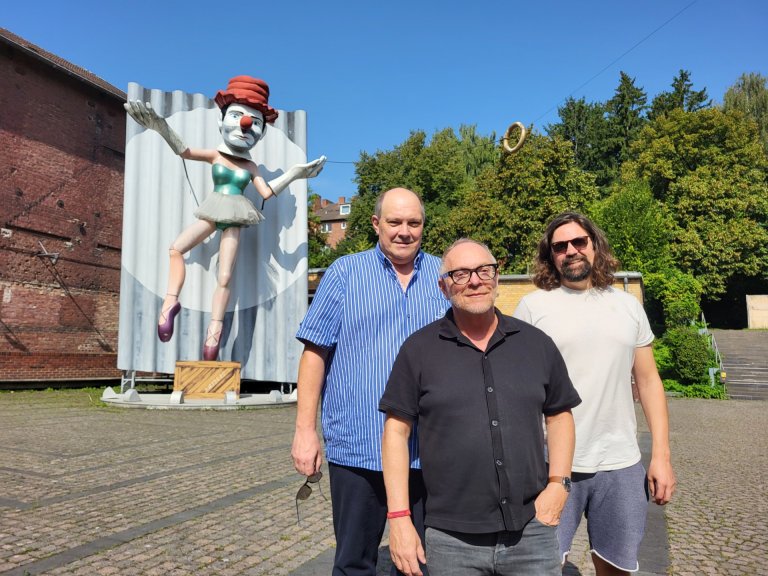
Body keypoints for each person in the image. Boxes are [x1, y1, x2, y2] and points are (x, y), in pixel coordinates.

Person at [380, 238, 582, 576]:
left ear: (496, 278)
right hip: (451, 539)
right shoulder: (418, 350)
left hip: (531, 531)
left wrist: (558, 485)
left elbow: (560, 415)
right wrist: (399, 518)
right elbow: (395, 434)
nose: (474, 281)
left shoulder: (536, 344)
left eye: (483, 271)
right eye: (460, 274)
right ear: (443, 286)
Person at [291, 187, 450, 576]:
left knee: (422, 564)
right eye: (394, 222)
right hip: (359, 446)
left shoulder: (444, 277)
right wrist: (304, 431)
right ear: (377, 223)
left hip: (427, 449)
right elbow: (315, 354)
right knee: (353, 562)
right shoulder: (345, 274)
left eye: (414, 223)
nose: (404, 231)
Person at [513, 212, 677, 575]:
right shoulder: (532, 308)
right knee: (541, 567)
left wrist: (661, 456)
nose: (571, 251)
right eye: (560, 246)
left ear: (594, 245)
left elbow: (649, 381)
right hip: (551, 465)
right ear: (550, 256)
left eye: (578, 242)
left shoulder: (627, 306)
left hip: (620, 463)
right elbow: (516, 389)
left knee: (615, 567)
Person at [124, 75, 325, 360]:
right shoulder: (216, 156)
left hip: (236, 214)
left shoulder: (251, 165)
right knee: (176, 248)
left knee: (225, 276)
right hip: (214, 207)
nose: (246, 125)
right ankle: (170, 304)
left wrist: (294, 173)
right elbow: (184, 150)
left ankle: (213, 333)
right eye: (238, 116)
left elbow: (266, 192)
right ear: (221, 122)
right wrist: (162, 127)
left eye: (255, 121)